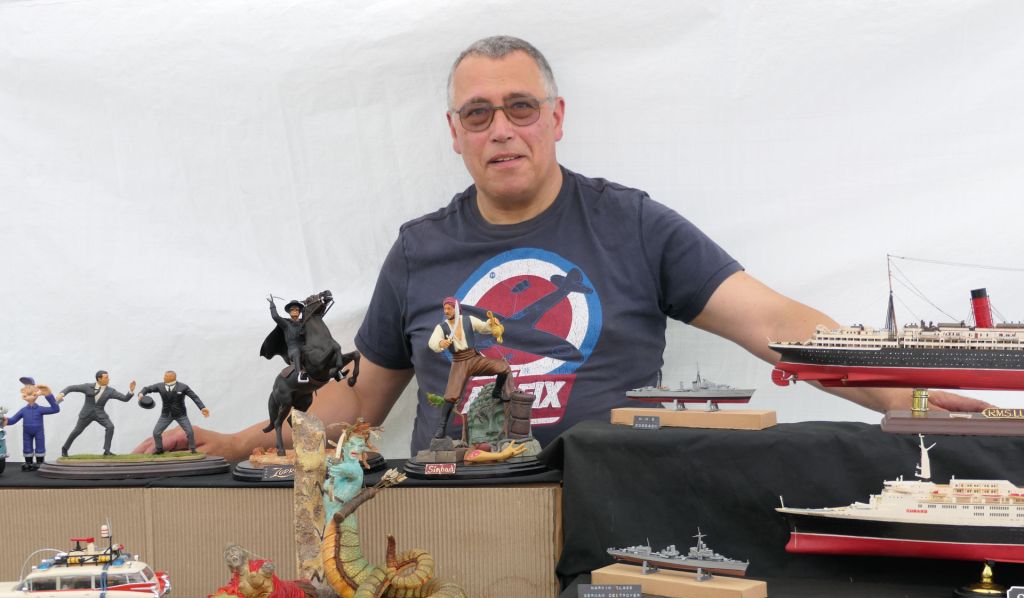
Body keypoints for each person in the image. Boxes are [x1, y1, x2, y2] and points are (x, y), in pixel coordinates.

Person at [140, 36, 987, 460]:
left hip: (612, 512)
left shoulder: (633, 224)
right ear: (454, 135)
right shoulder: (419, 249)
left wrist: (909, 396)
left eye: (520, 107)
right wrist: (226, 444)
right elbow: (354, 409)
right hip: (455, 517)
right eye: (479, 114)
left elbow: (775, 321)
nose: (501, 129)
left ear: (556, 118)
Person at [428, 296, 512, 440]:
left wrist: (492, 325)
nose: (446, 311)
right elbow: (432, 342)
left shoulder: (468, 320)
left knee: (503, 367)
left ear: (456, 309)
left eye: (449, 308)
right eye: (445, 309)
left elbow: (484, 328)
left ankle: (497, 391)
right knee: (451, 395)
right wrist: (441, 343)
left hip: (474, 358)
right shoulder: (441, 327)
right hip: (459, 362)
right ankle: (441, 427)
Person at [58, 371, 136, 456]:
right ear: (99, 379)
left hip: (100, 414)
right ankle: (65, 448)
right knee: (77, 431)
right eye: (106, 377)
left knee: (110, 427)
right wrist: (62, 394)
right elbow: (71, 388)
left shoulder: (110, 391)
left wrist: (131, 391)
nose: (108, 379)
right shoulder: (87, 386)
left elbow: (124, 398)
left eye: (108, 377)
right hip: (86, 414)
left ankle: (107, 450)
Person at [138, 371, 210, 454]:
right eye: (164, 376)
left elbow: (194, 397)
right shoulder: (160, 386)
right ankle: (159, 449)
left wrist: (202, 408)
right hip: (166, 414)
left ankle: (192, 449)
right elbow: (147, 388)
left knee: (190, 432)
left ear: (172, 377)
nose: (164, 377)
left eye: (166, 376)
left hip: (181, 415)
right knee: (156, 432)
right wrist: (141, 393)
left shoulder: (183, 387)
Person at [5, 377, 60, 470]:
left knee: (40, 445)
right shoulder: (23, 410)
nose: (29, 396)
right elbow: (13, 420)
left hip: (38, 431)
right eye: (26, 394)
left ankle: (40, 462)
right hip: (26, 432)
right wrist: (4, 420)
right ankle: (28, 462)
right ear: (23, 396)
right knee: (27, 445)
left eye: (31, 393)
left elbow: (55, 409)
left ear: (37, 393)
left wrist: (48, 395)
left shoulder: (40, 409)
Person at [268, 297, 309, 383]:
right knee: (297, 352)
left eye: (297, 309)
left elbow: (309, 315)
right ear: (289, 312)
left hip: (305, 347)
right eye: (292, 309)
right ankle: (300, 374)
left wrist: (306, 305)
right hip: (293, 350)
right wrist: (272, 303)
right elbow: (275, 316)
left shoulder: (303, 322)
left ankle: (335, 370)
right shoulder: (286, 324)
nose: (295, 311)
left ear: (299, 311)